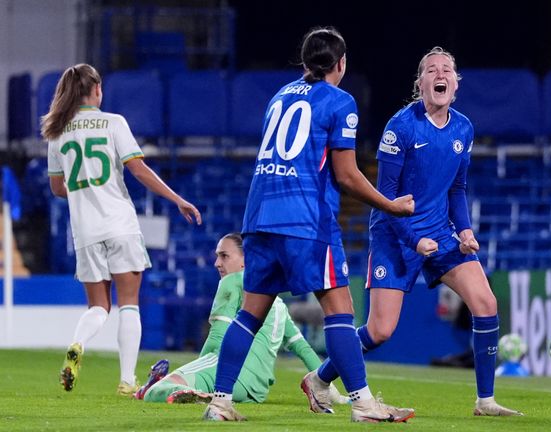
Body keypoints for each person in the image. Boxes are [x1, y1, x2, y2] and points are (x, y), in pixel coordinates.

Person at [202, 27, 415, 423]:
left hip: (259, 217)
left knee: (250, 315)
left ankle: (220, 402)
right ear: (341, 63)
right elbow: (347, 175)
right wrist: (390, 205)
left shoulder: (279, 97)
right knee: (340, 311)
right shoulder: (340, 102)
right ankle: (364, 405)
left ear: (303, 63)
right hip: (305, 219)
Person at [306, 47, 523, 417]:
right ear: (420, 83)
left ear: (455, 84)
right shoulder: (401, 127)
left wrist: (466, 231)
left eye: (447, 70)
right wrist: (412, 239)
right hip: (395, 234)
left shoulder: (463, 129)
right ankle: (319, 379)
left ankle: (485, 401)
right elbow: (386, 199)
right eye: (431, 70)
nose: (440, 74)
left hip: (440, 233)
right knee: (379, 332)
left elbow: (456, 190)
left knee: (486, 304)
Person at [43, 63, 202, 395]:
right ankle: (127, 381)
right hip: (120, 225)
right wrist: (177, 199)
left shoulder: (58, 132)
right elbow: (139, 170)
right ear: (97, 90)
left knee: (98, 307)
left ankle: (77, 343)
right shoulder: (114, 123)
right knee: (129, 303)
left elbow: (58, 189)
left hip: (85, 232)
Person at [133, 233, 348, 406]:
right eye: (217, 256)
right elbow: (305, 351)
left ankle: (160, 388)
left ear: (246, 261)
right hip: (255, 390)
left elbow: (217, 339)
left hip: (227, 375)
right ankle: (154, 387)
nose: (217, 263)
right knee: (162, 388)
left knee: (157, 393)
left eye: (224, 256)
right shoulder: (279, 305)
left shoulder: (232, 281)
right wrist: (333, 393)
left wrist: (196, 369)